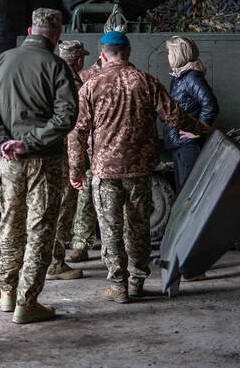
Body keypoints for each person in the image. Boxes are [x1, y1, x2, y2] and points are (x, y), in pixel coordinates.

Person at [69, 31, 212, 303]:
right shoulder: (146, 81)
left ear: (102, 54)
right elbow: (174, 115)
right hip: (139, 170)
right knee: (138, 228)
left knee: (110, 230)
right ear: (129, 52)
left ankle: (118, 287)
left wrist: (76, 171)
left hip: (105, 171)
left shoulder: (89, 85)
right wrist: (199, 127)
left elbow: (76, 133)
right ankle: (136, 282)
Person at [0, 8, 78, 324]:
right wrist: (30, 142)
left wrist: (2, 142)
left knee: (9, 223)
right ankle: (27, 302)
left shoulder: (2, 61)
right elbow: (66, 118)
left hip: (8, 161)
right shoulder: (58, 66)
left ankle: (6, 292)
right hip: (44, 162)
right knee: (40, 228)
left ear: (30, 28)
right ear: (57, 35)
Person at [46, 40, 89, 281]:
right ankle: (55, 263)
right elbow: (75, 128)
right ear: (78, 60)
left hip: (50, 153)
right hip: (65, 156)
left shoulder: (50, 76)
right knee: (63, 210)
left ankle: (49, 258)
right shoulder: (71, 83)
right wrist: (77, 166)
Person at [163, 36, 218, 193]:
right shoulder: (180, 77)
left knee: (190, 192)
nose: (168, 56)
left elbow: (211, 105)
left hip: (188, 145)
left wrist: (198, 129)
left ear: (177, 54)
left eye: (169, 52)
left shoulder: (192, 77)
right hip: (179, 143)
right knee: (183, 190)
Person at [64, 51, 103, 263]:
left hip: (100, 147)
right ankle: (79, 243)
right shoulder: (86, 77)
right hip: (86, 146)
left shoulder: (122, 73)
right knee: (84, 195)